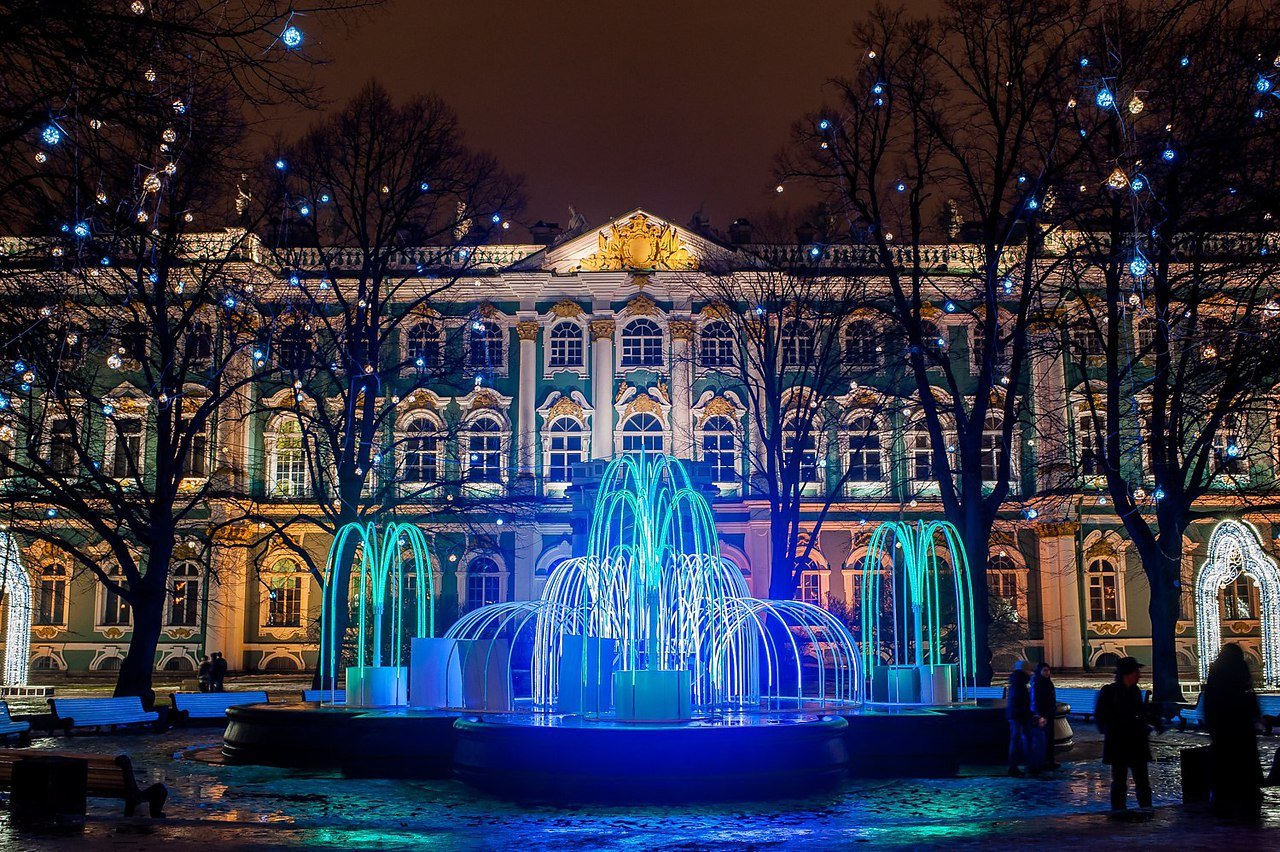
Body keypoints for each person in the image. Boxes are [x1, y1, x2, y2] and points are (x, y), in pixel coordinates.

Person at [1203, 643, 1263, 818]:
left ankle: (1222, 795)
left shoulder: (1216, 670)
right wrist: (1256, 715)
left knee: (1223, 761)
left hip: (1222, 725)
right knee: (1244, 761)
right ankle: (1247, 794)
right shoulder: (1240, 667)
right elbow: (1248, 693)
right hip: (1241, 724)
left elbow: (1210, 700)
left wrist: (1212, 724)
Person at [1095, 656, 1157, 814]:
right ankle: (1119, 811)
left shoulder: (1134, 691)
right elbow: (1103, 716)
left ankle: (1145, 809)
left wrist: (1151, 722)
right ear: (1127, 674)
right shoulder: (1110, 692)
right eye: (1136, 672)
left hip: (1135, 744)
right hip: (1120, 744)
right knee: (1120, 781)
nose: (1139, 675)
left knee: (1141, 780)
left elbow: (1140, 713)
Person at [1006, 660, 1034, 776]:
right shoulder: (1020, 683)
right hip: (1019, 715)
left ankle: (1018, 765)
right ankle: (1018, 766)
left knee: (1017, 740)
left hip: (1015, 714)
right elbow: (1021, 701)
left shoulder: (1016, 682)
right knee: (1020, 740)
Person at [1030, 662, 1057, 770]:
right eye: (1044, 670)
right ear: (1039, 671)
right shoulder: (1037, 683)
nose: (1047, 672)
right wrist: (1040, 715)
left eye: (1048, 670)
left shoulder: (1048, 682)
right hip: (1043, 714)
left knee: (1050, 738)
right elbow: (1035, 700)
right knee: (1043, 739)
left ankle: (1050, 760)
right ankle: (1044, 761)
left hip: (1049, 714)